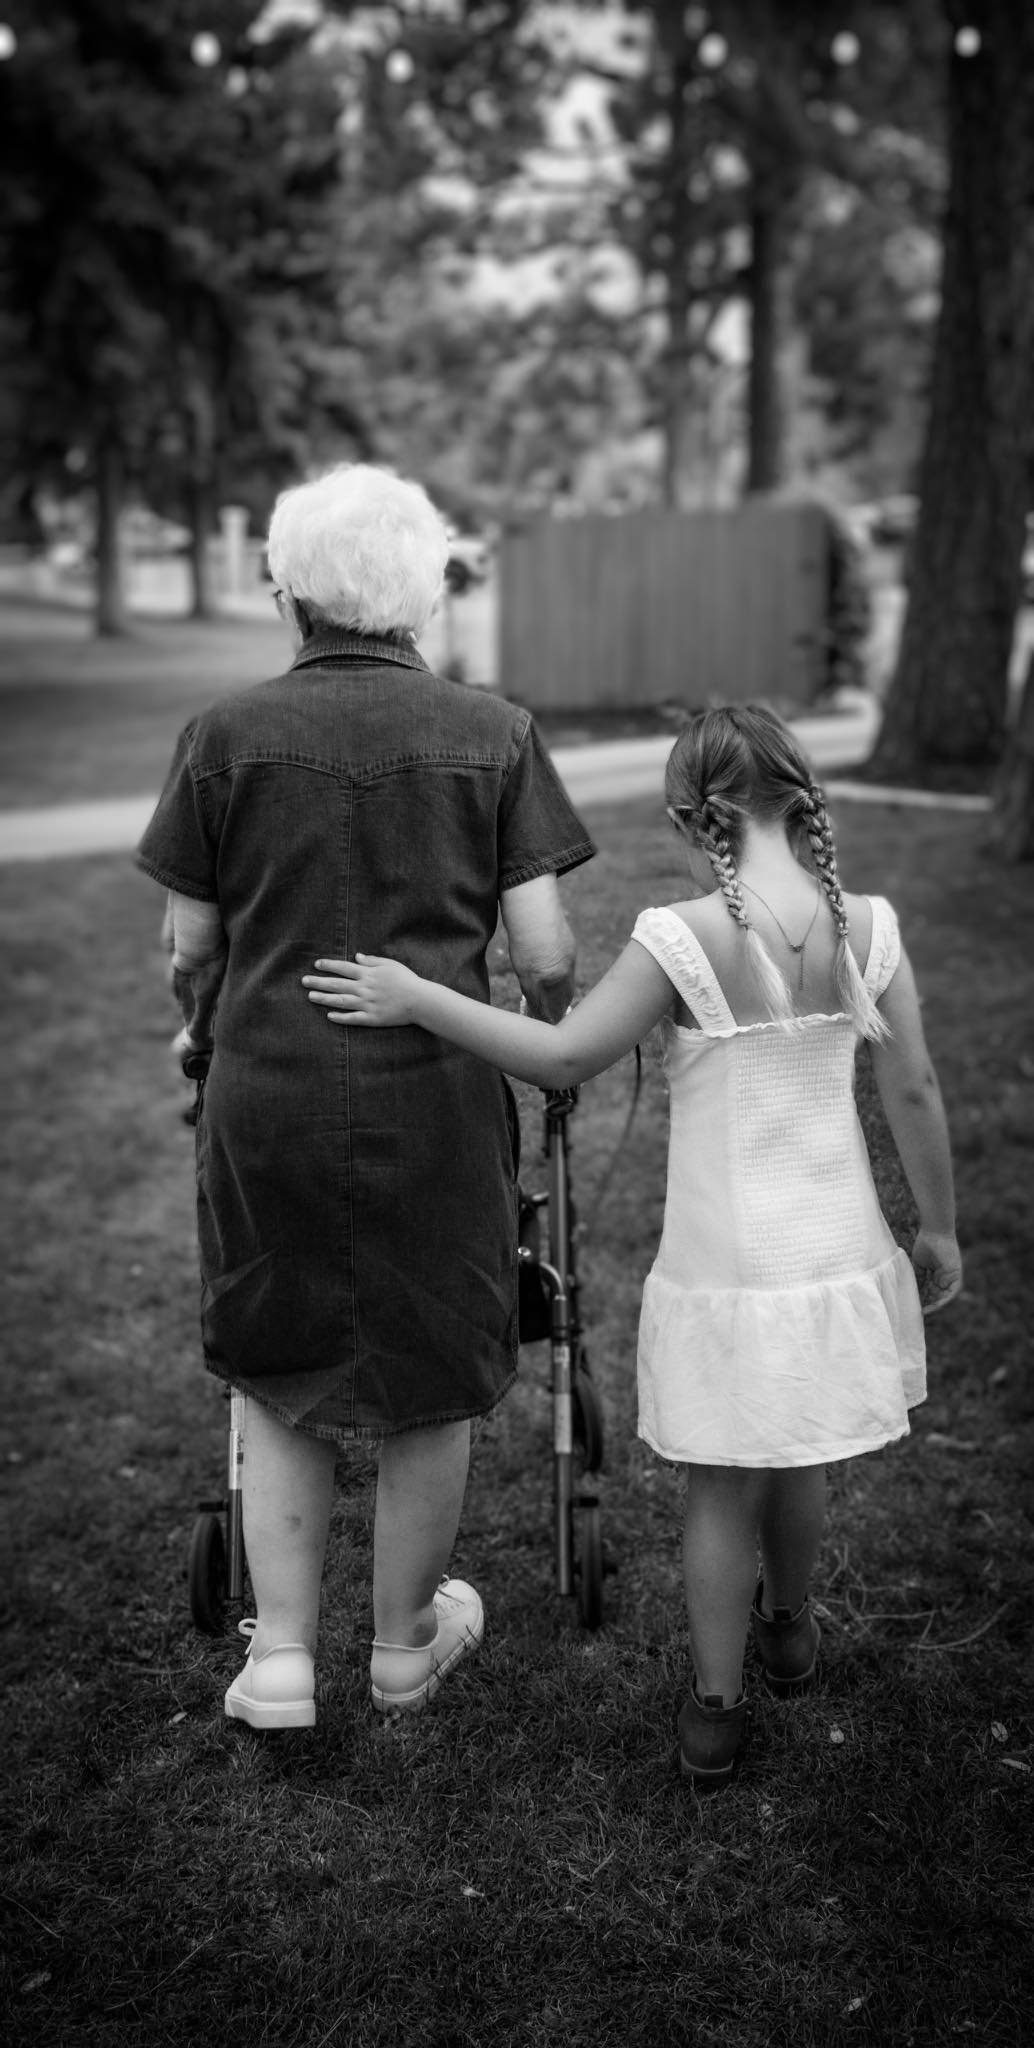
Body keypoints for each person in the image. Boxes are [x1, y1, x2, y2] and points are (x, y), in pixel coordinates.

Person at [303, 703, 962, 1784]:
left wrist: (418, 995)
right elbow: (915, 1086)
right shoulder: (869, 924)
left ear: (686, 817)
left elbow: (561, 1054)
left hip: (725, 1260)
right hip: (833, 1245)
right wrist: (933, 1225)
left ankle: (714, 1707)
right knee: (799, 1451)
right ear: (800, 799)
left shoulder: (679, 936)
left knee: (721, 1480)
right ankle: (788, 1628)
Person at [136, 462, 595, 1729]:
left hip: (266, 1089)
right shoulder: (492, 732)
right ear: (425, 590)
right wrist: (533, 1029)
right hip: (434, 1097)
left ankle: (280, 1654)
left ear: (288, 586)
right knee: (431, 1364)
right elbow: (547, 953)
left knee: (276, 1356)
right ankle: (400, 1645)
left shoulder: (220, 737)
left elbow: (191, 945)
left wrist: (201, 1032)